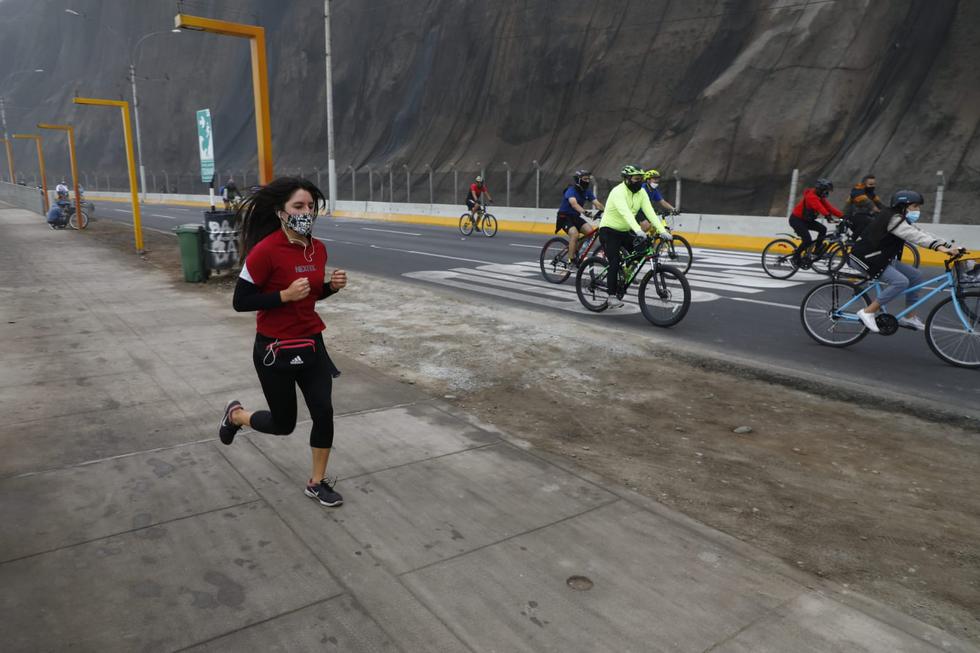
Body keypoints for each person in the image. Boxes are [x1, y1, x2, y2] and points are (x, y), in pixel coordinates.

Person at [218, 177, 349, 507]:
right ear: (281, 212)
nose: (307, 211)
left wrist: (330, 287)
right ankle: (236, 416)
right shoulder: (264, 252)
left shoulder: (317, 248)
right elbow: (241, 301)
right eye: (298, 206)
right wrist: (283, 296)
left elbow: (311, 295)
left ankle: (317, 482)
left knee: (324, 412)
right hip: (274, 349)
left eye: (311, 206)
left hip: (311, 343)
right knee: (283, 424)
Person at [850, 189, 961, 332]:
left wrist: (947, 245)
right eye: (915, 206)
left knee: (916, 276)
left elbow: (921, 233)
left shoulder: (900, 218)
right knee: (900, 282)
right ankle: (867, 311)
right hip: (864, 257)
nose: (917, 210)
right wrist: (939, 248)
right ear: (903, 205)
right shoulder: (893, 219)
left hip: (880, 257)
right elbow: (914, 236)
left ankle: (909, 317)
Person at [597, 165, 671, 309]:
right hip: (608, 231)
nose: (640, 181)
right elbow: (626, 213)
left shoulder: (641, 192)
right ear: (627, 179)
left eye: (641, 179)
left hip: (624, 231)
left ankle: (625, 273)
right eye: (637, 179)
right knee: (615, 261)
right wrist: (638, 230)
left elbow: (650, 212)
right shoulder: (618, 191)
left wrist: (662, 230)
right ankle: (611, 297)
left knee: (642, 250)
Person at [789, 178, 842, 265]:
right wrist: (827, 215)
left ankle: (817, 250)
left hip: (806, 220)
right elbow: (819, 207)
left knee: (822, 229)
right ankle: (795, 257)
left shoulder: (819, 197)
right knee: (807, 240)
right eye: (826, 191)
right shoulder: (811, 196)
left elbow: (829, 208)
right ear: (820, 189)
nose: (827, 193)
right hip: (796, 220)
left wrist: (843, 216)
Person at [555, 169, 604, 265]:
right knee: (575, 234)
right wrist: (585, 212)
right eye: (585, 179)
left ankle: (576, 251)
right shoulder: (571, 190)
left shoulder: (587, 191)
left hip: (575, 217)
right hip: (564, 217)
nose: (587, 181)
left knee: (591, 232)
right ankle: (571, 261)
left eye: (588, 179)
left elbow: (597, 203)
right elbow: (574, 204)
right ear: (578, 180)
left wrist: (606, 211)